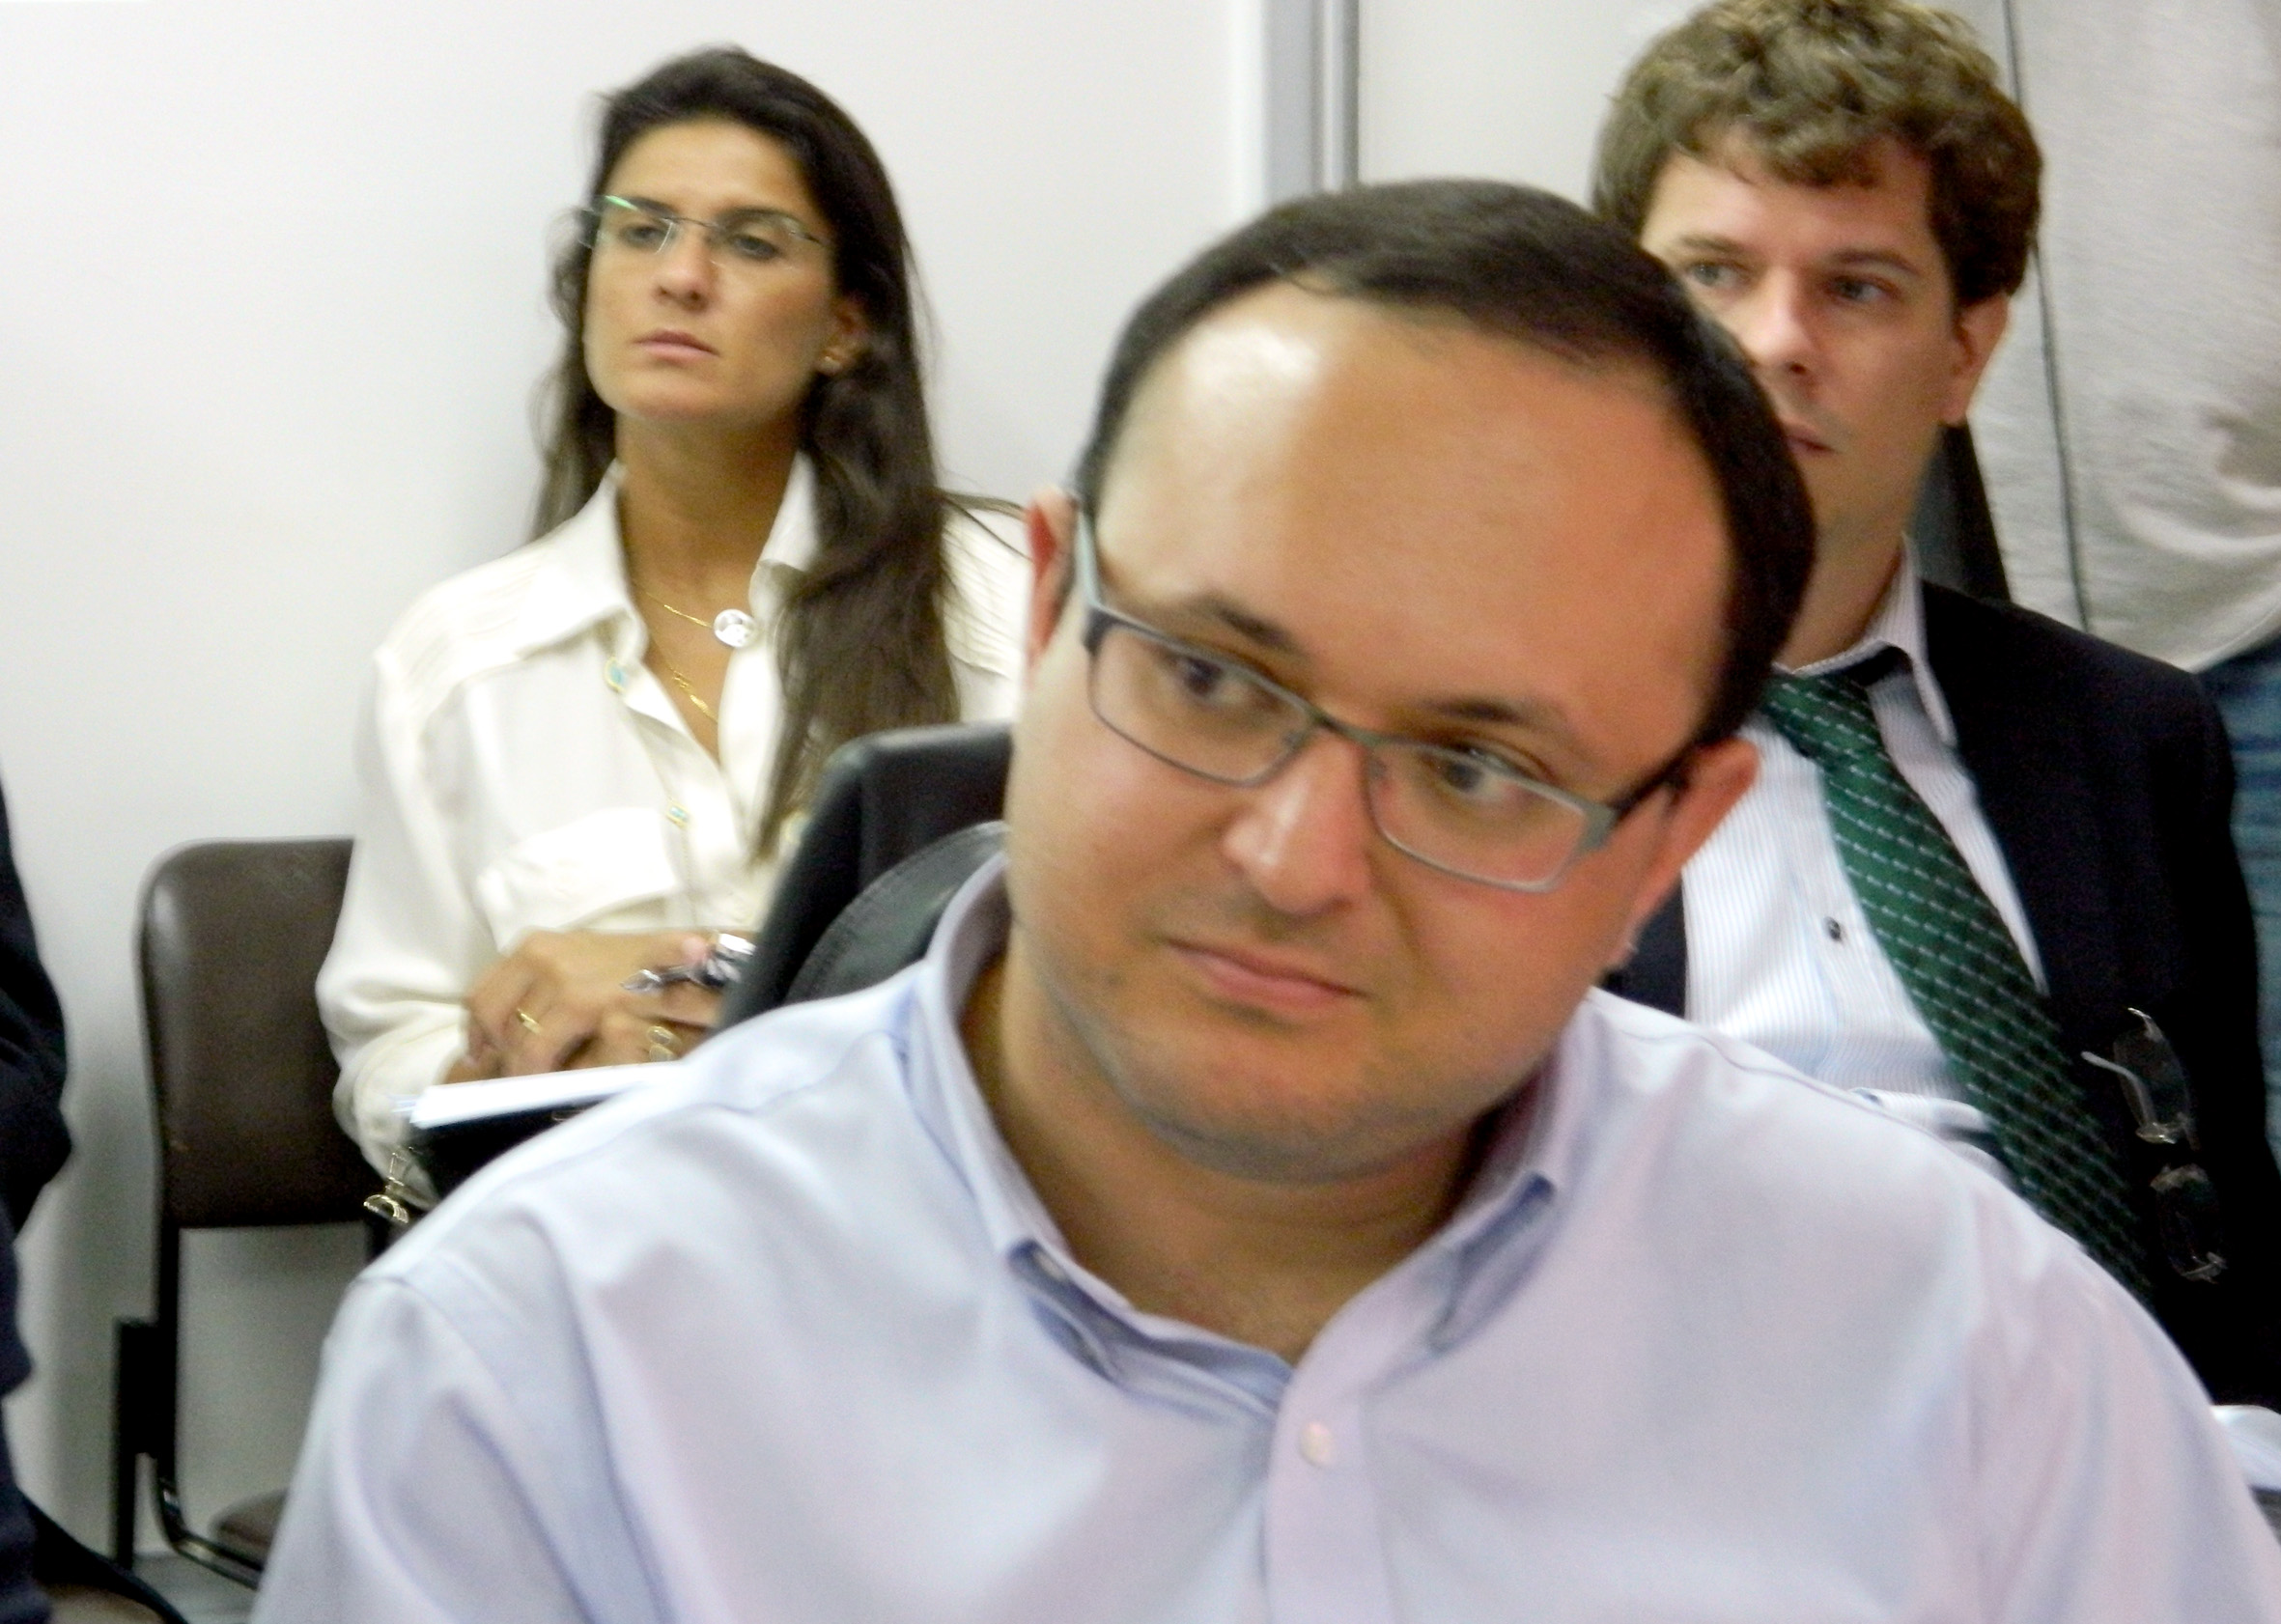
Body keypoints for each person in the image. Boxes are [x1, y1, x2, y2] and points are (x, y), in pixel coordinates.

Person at [253, 182, 2281, 1622]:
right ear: (1051, 609)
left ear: (1667, 842)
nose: (1293, 859)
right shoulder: (552, 1362)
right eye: (1211, 676)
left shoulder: (1972, 1360)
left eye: (1475, 767)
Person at [1592, 0, 2281, 1406]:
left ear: (1965, 353)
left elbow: (2229, 1255)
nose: (1775, 341)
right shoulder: (1472, 725)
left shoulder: (2128, 736)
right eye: (1713, 273)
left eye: (1855, 288)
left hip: (2088, 1454)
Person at [318, 48, 1028, 1176]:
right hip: (590, 1225)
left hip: (927, 1216)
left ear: (844, 326)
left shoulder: (999, 605)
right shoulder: (457, 662)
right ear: (586, 287)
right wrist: (512, 1063)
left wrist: (705, 978)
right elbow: (387, 1043)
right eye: (641, 230)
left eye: (752, 242)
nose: (682, 276)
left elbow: (1088, 967)